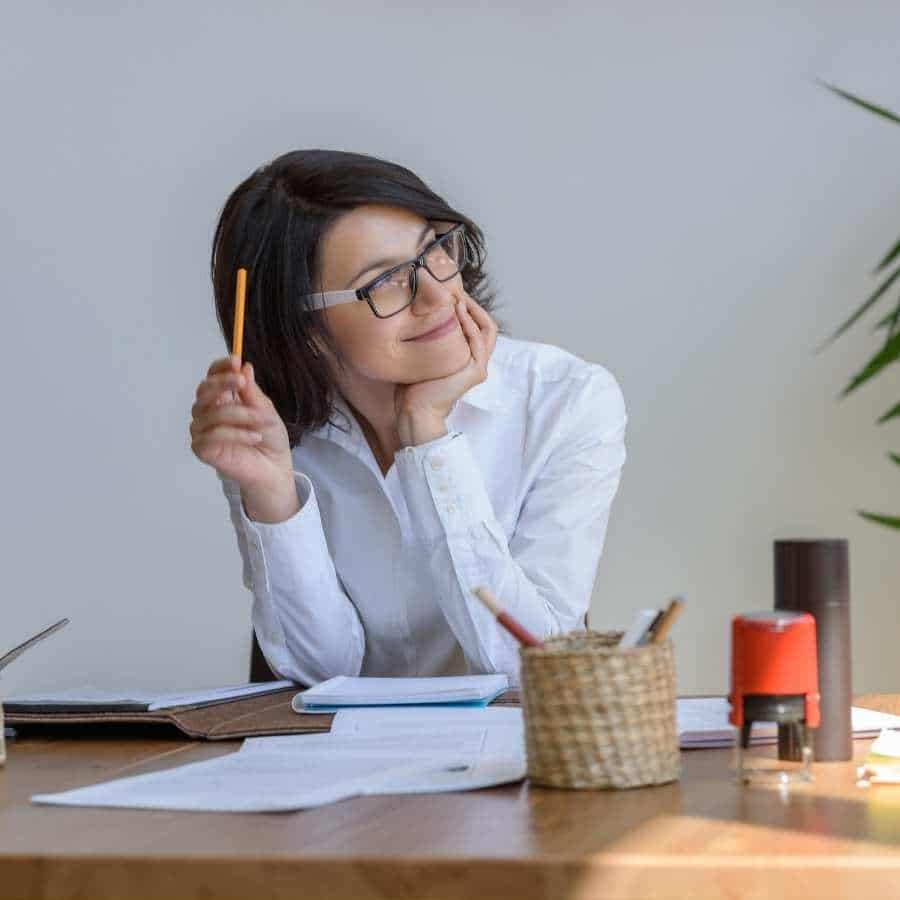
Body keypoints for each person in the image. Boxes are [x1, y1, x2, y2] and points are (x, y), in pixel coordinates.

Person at [189, 149, 627, 687]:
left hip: (520, 756)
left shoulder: (566, 401)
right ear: (302, 325)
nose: (439, 293)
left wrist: (428, 436)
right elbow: (323, 672)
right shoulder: (264, 429)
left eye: (436, 250)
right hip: (339, 760)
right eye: (387, 282)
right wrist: (273, 495)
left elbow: (533, 663)